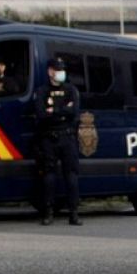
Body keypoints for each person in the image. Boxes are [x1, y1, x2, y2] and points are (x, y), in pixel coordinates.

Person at [33, 57, 82, 226]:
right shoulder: (42, 91)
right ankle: (48, 212)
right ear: (50, 71)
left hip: (67, 137)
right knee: (49, 175)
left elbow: (73, 112)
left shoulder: (71, 90)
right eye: (57, 69)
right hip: (49, 138)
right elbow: (40, 114)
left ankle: (74, 213)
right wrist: (61, 111)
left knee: (72, 175)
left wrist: (53, 110)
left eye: (62, 69)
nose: (60, 72)